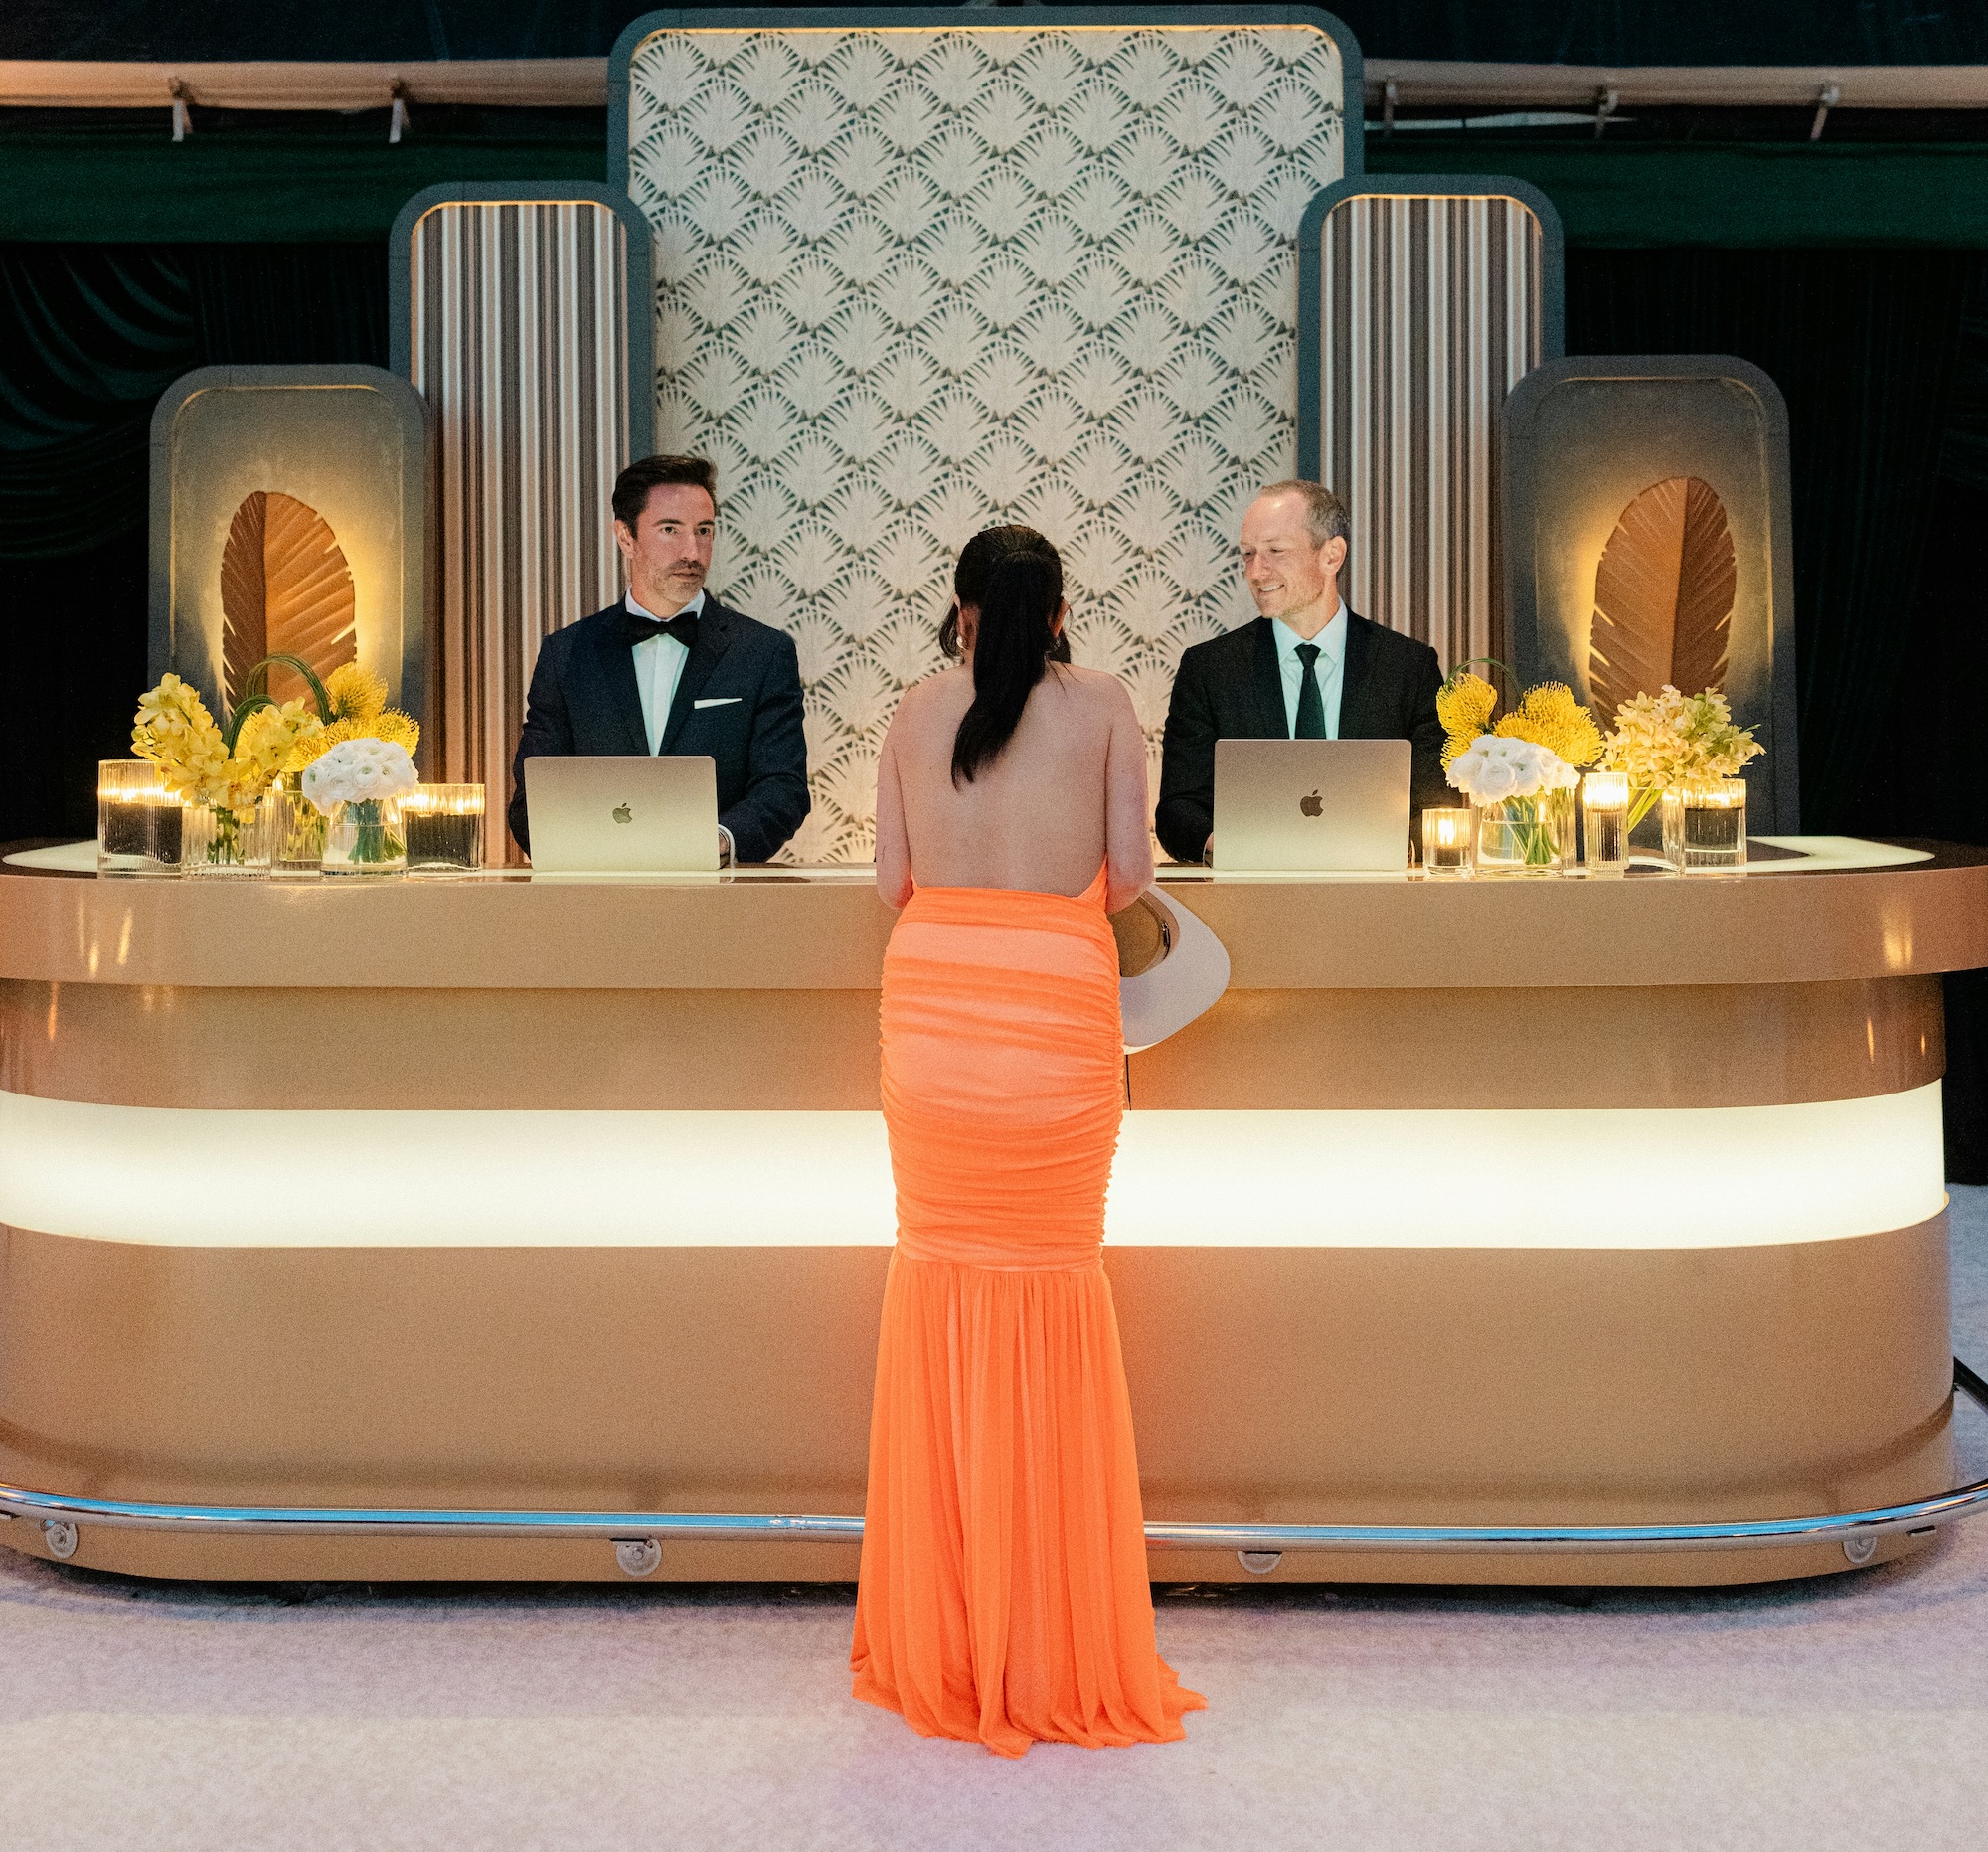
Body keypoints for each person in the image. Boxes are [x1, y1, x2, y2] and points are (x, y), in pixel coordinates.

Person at [852, 526, 1205, 1759]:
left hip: (938, 1002)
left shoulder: (910, 709)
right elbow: (1123, 876)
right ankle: (1054, 1627)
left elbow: (891, 881)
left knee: (937, 1275)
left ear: (960, 612)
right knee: (1057, 1285)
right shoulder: (1105, 705)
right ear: (1058, 614)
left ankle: (941, 1634)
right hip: (1055, 1006)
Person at [507, 454, 809, 862]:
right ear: (625, 537)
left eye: (704, 531)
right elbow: (531, 795)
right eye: (670, 529)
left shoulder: (764, 652)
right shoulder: (566, 655)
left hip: (720, 900)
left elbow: (783, 787)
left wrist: (716, 841)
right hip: (592, 898)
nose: (692, 551)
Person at [1154, 480, 1446, 864]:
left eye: (1275, 551)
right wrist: (1230, 846)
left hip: (1378, 899)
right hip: (1252, 899)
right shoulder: (1209, 669)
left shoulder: (1408, 667)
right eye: (1248, 554)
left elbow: (1438, 801)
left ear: (1332, 555)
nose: (1256, 572)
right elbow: (1177, 809)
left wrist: (1383, 851)